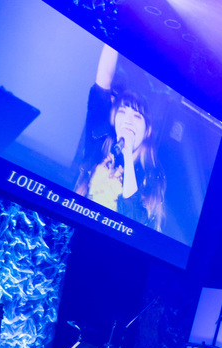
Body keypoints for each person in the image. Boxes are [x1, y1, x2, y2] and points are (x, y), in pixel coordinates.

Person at [73, 44, 166, 231]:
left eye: (137, 116)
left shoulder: (152, 173)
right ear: (114, 120)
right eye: (122, 112)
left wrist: (128, 156)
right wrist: (115, 37)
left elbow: (134, 220)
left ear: (147, 131)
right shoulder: (99, 143)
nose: (128, 120)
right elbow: (102, 83)